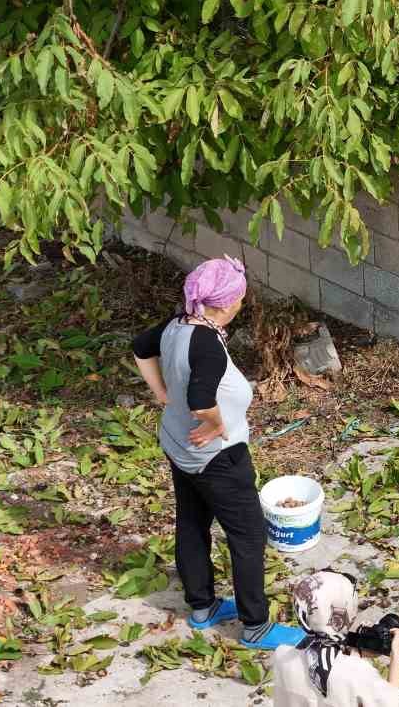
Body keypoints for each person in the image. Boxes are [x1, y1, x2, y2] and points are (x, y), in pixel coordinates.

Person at [130, 255, 305, 649]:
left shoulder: (178, 323)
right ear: (226, 304)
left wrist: (161, 394)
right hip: (217, 460)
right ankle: (256, 626)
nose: (242, 303)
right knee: (248, 535)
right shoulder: (206, 344)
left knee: (192, 522)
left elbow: (141, 347)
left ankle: (202, 607)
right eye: (241, 298)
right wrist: (214, 424)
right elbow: (199, 397)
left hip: (178, 448)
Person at [272, 571, 399, 707]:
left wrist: (355, 655)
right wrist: (397, 654)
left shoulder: (281, 654)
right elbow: (396, 703)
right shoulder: (358, 673)